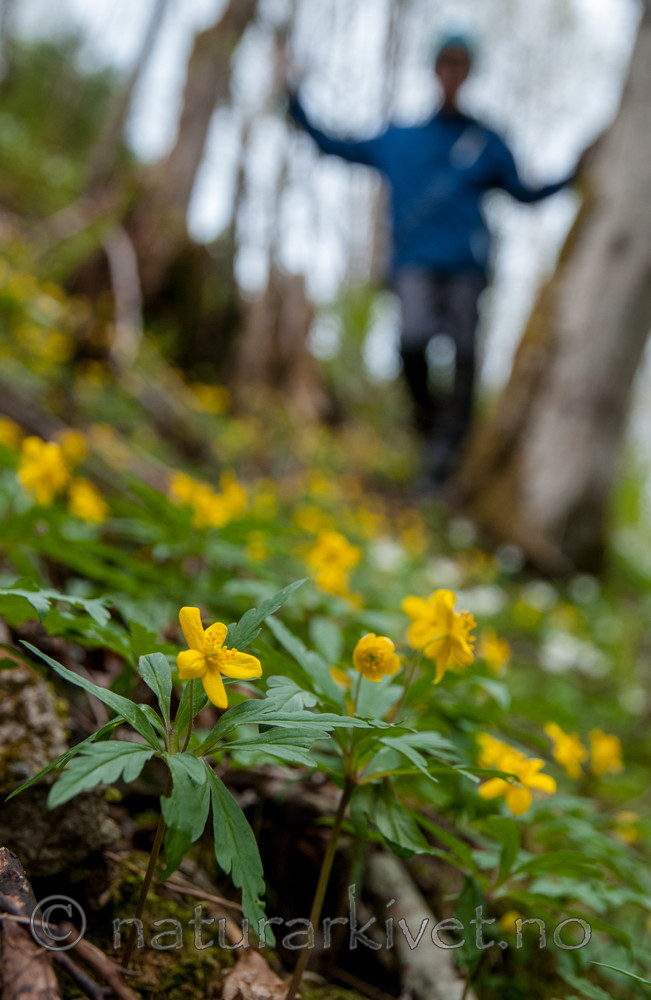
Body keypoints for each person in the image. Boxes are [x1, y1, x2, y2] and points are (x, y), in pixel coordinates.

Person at [287, 32, 578, 487]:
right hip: (414, 262)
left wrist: (575, 172)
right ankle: (426, 425)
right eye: (446, 64)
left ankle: (447, 454)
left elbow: (526, 192)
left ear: (468, 75)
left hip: (466, 264)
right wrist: (293, 99)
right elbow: (332, 145)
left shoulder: (486, 142)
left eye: (461, 66)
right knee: (412, 340)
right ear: (435, 71)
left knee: (464, 355)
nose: (452, 74)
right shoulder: (400, 139)